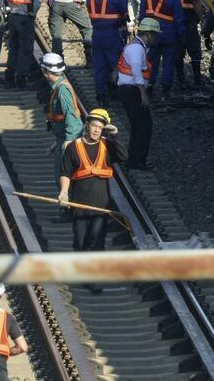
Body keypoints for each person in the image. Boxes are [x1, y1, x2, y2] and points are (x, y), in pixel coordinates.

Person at [57, 108, 122, 293]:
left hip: (101, 205)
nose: (96, 130)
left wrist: (115, 136)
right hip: (79, 204)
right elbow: (65, 172)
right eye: (94, 126)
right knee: (80, 241)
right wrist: (64, 192)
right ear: (87, 126)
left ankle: (94, 279)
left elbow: (123, 157)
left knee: (97, 242)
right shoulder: (73, 147)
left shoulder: (106, 146)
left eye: (100, 127)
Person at [117, 17, 159, 170]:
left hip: (131, 90)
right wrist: (143, 93)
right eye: (154, 35)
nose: (155, 39)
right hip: (132, 91)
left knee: (138, 126)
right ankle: (137, 161)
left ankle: (134, 160)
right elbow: (136, 72)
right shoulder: (136, 49)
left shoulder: (137, 47)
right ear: (148, 35)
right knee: (144, 126)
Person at [138, 0, 184, 99]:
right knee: (168, 62)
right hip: (169, 35)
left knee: (151, 62)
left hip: (151, 35)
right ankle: (166, 90)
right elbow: (179, 19)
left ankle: (150, 87)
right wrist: (181, 37)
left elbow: (141, 16)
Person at [86, 0, 128, 104]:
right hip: (112, 35)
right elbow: (124, 15)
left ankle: (101, 97)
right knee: (117, 65)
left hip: (96, 35)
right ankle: (120, 94)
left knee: (99, 67)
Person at [42, 53, 82, 185]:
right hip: (62, 137)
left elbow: (71, 117)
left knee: (63, 174)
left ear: (47, 72)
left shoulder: (62, 90)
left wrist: (69, 141)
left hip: (67, 139)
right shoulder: (61, 85)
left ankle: (66, 204)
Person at [169, 0, 205, 88]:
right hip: (189, 21)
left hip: (174, 21)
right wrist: (202, 18)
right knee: (194, 51)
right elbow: (197, 3)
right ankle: (197, 79)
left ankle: (181, 80)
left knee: (178, 52)